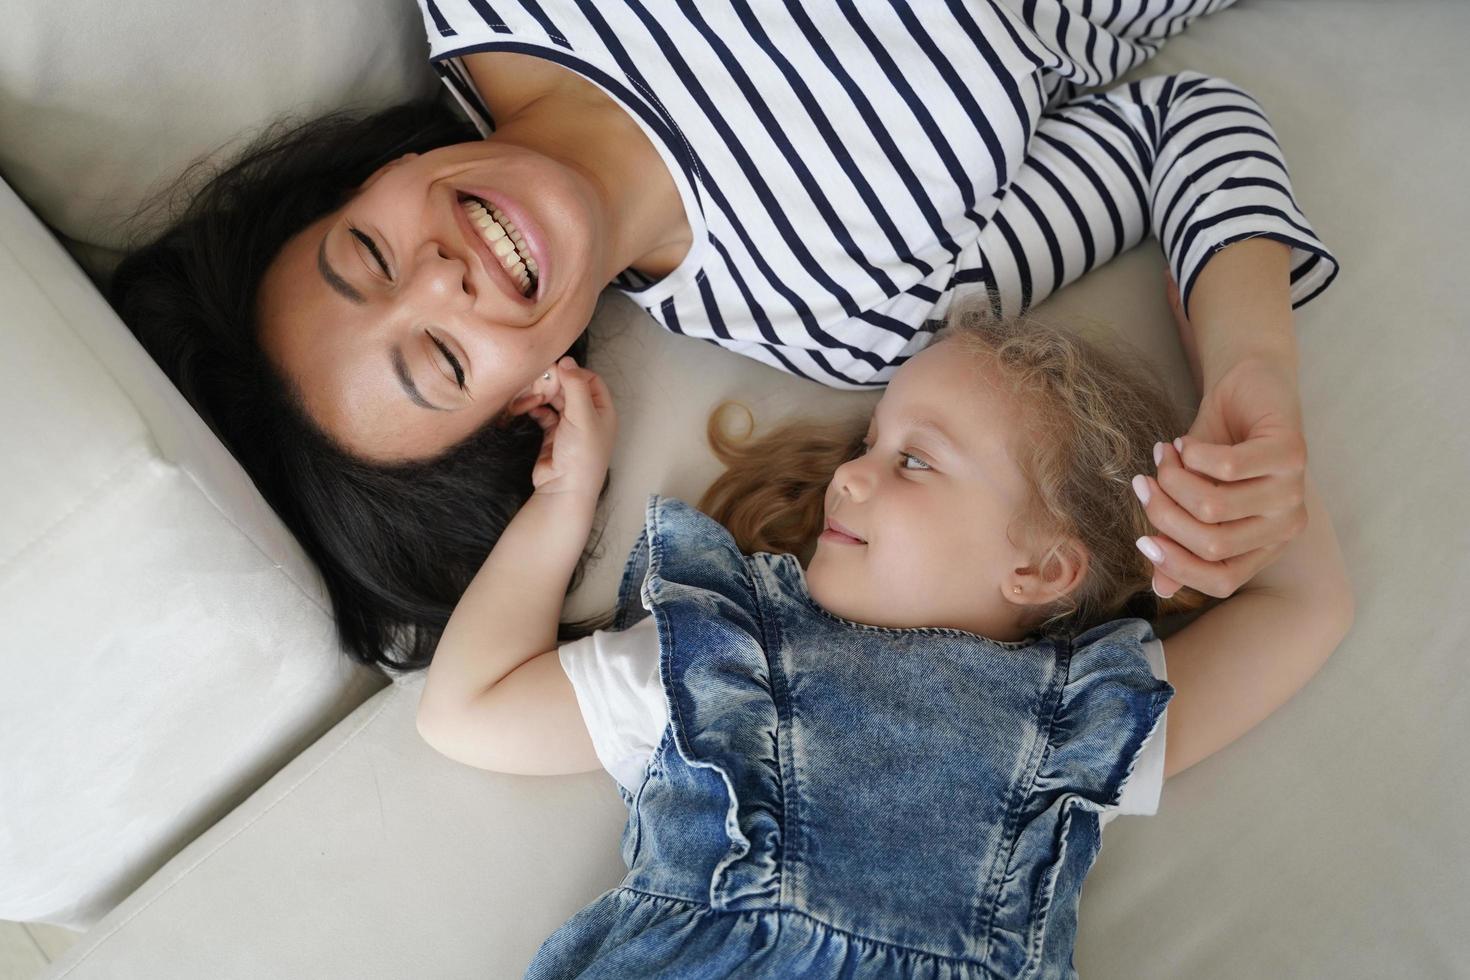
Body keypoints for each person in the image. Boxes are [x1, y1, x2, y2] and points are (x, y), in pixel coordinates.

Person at [110, 0, 1338, 670]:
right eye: (439, 361)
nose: (440, 273)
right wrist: (1255, 377)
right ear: (532, 402)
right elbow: (1186, 128)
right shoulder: (848, 311)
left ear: (380, 172)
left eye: (365, 253)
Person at [414, 289, 1354, 978]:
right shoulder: (722, 657)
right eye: (870, 443)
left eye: (913, 460)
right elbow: (467, 710)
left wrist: (1248, 420)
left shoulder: (1080, 723)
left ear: (1038, 569)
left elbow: (1302, 610)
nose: (850, 477)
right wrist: (565, 497)